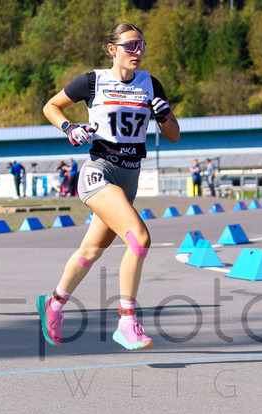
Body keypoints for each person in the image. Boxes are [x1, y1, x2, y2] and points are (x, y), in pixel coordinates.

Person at [38, 22, 179, 350]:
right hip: (99, 173)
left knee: (90, 251)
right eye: (130, 45)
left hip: (129, 178)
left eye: (142, 45)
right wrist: (69, 128)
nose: (137, 51)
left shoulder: (151, 84)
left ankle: (54, 304)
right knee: (140, 239)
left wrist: (164, 116)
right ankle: (127, 322)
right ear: (112, 49)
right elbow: (50, 106)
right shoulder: (92, 81)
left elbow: (173, 135)